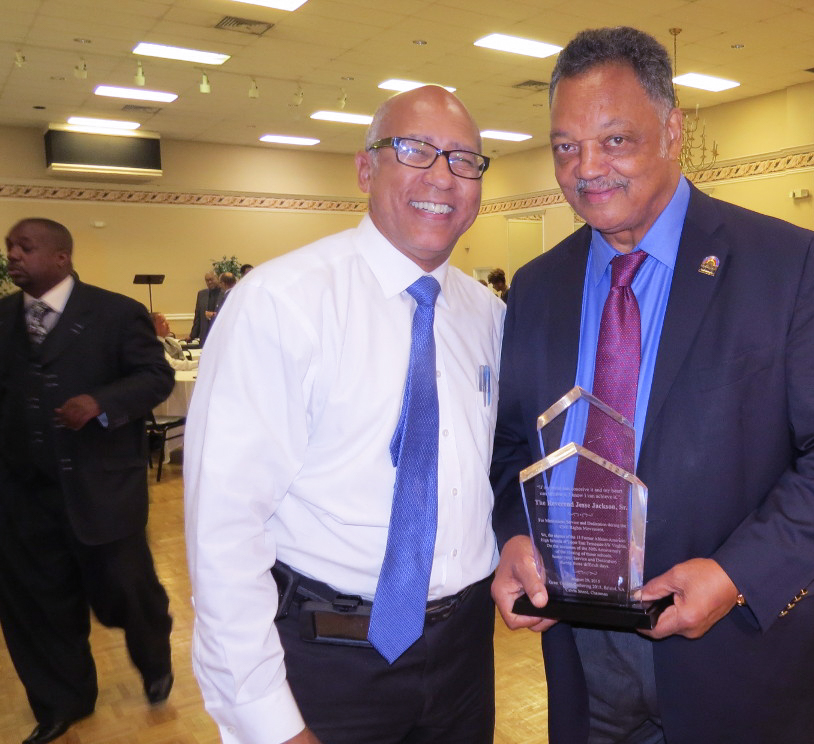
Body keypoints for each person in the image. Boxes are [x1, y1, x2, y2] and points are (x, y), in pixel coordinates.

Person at [489, 27, 814, 744]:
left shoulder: (785, 263)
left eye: (615, 140)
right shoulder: (537, 287)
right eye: (565, 146)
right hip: (583, 655)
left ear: (673, 129)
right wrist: (515, 533)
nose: (587, 169)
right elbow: (513, 444)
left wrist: (737, 573)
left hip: (736, 654)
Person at [185, 85, 505, 744]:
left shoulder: (490, 317)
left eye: (464, 159)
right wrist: (267, 722)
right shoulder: (281, 304)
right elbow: (223, 532)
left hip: (465, 658)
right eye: (415, 150)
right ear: (366, 168)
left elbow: (497, 469)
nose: (441, 177)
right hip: (329, 660)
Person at [0, 218, 176, 744]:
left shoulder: (116, 312)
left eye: (24, 247)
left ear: (60, 257)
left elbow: (155, 377)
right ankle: (62, 702)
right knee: (37, 604)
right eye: (10, 246)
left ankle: (155, 660)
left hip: (101, 490)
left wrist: (103, 403)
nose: (12, 255)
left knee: (129, 592)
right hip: (22, 495)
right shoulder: (3, 318)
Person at [184, 271, 221, 347]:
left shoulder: (225, 294)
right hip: (205, 337)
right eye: (207, 280)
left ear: (217, 279)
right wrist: (192, 335)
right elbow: (198, 317)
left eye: (211, 279)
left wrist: (213, 315)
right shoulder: (201, 294)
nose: (209, 282)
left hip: (220, 335)